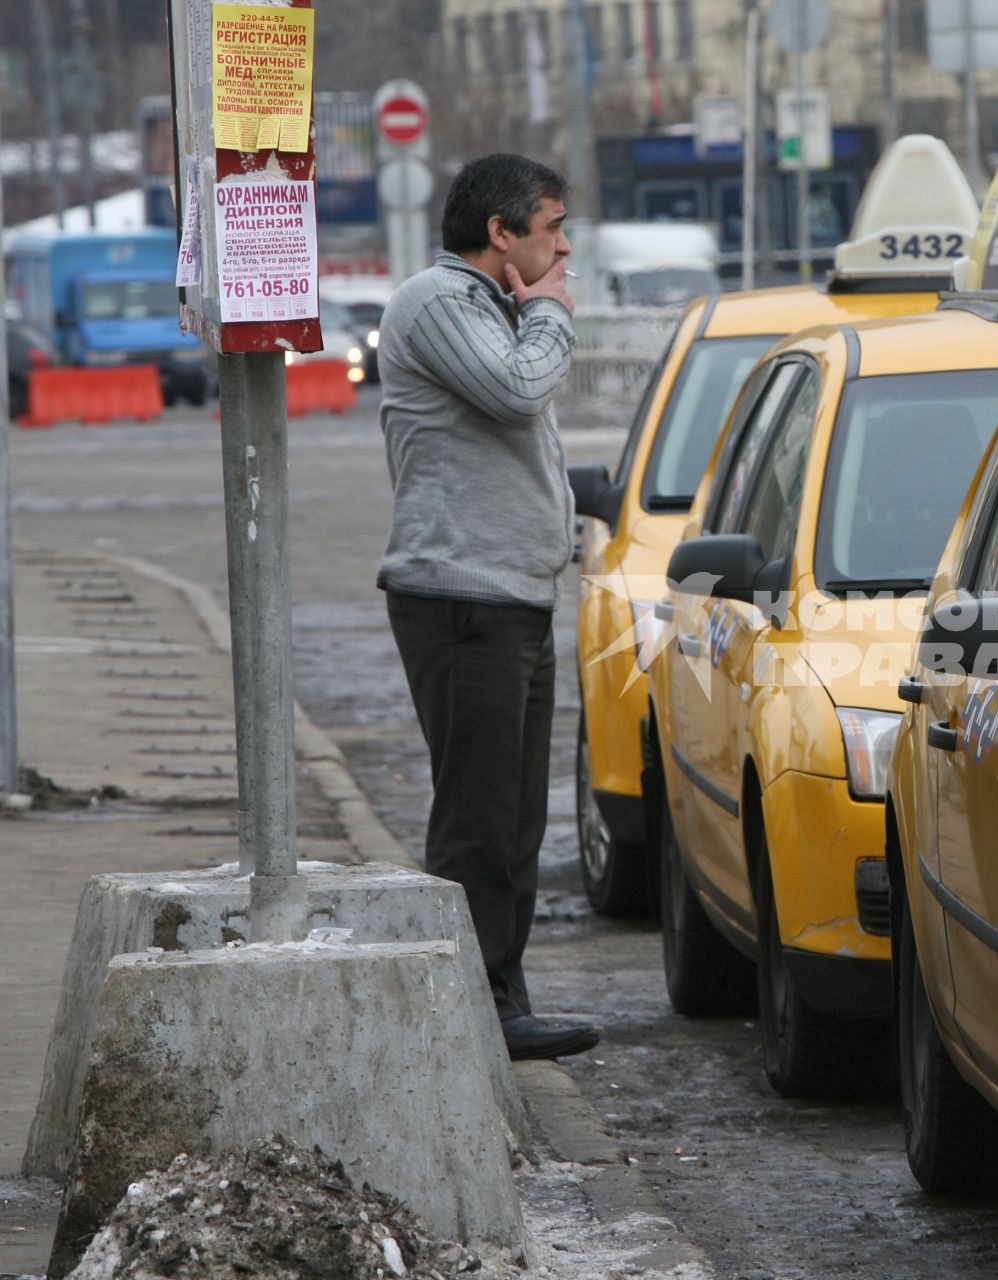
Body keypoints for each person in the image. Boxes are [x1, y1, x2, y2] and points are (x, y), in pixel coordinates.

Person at [376, 153, 601, 1061]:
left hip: (511, 595)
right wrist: (549, 309)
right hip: (461, 596)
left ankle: (501, 1000)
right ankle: (471, 1012)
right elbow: (518, 390)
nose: (564, 247)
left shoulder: (487, 309)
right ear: (501, 234)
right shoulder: (437, 302)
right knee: (477, 818)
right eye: (550, 229)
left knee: (514, 819)